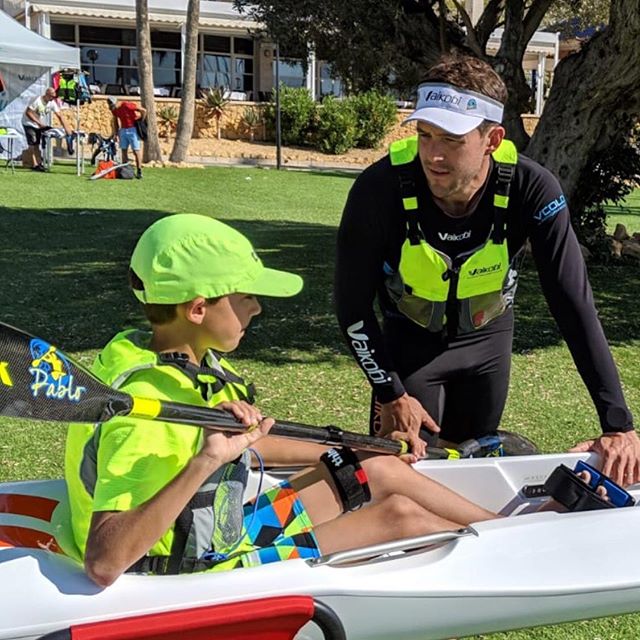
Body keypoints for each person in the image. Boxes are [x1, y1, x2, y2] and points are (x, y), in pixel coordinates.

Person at [64, 213, 498, 587]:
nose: (257, 309)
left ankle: (507, 532)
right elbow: (105, 561)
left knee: (375, 465)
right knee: (401, 519)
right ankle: (514, 554)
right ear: (197, 309)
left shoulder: (173, 357)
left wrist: (347, 449)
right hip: (184, 570)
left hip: (219, 527)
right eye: (246, 297)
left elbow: (249, 440)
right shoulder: (144, 410)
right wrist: (205, 462)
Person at [334, 54, 640, 486]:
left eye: (452, 140)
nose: (434, 155)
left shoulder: (532, 188)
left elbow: (573, 302)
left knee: (471, 476)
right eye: (425, 136)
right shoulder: (378, 189)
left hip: (487, 343)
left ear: (492, 139)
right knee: (398, 479)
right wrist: (390, 392)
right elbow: (351, 306)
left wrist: (618, 424)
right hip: (409, 346)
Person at [21, 87, 71, 171]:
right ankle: (34, 165)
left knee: (37, 143)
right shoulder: (37, 101)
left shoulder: (52, 103)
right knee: (32, 144)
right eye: (52, 96)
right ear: (47, 94)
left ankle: (39, 163)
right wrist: (39, 123)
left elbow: (60, 116)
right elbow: (28, 112)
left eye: (54, 97)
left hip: (38, 125)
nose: (53, 99)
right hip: (28, 123)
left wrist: (67, 129)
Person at [107, 97, 146, 179]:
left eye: (111, 103)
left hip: (132, 130)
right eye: (109, 103)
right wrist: (116, 134)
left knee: (136, 150)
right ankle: (126, 171)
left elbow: (143, 110)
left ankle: (139, 170)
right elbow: (115, 122)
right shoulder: (114, 110)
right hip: (123, 130)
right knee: (124, 150)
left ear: (115, 102)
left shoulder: (126, 105)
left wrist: (141, 121)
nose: (110, 105)